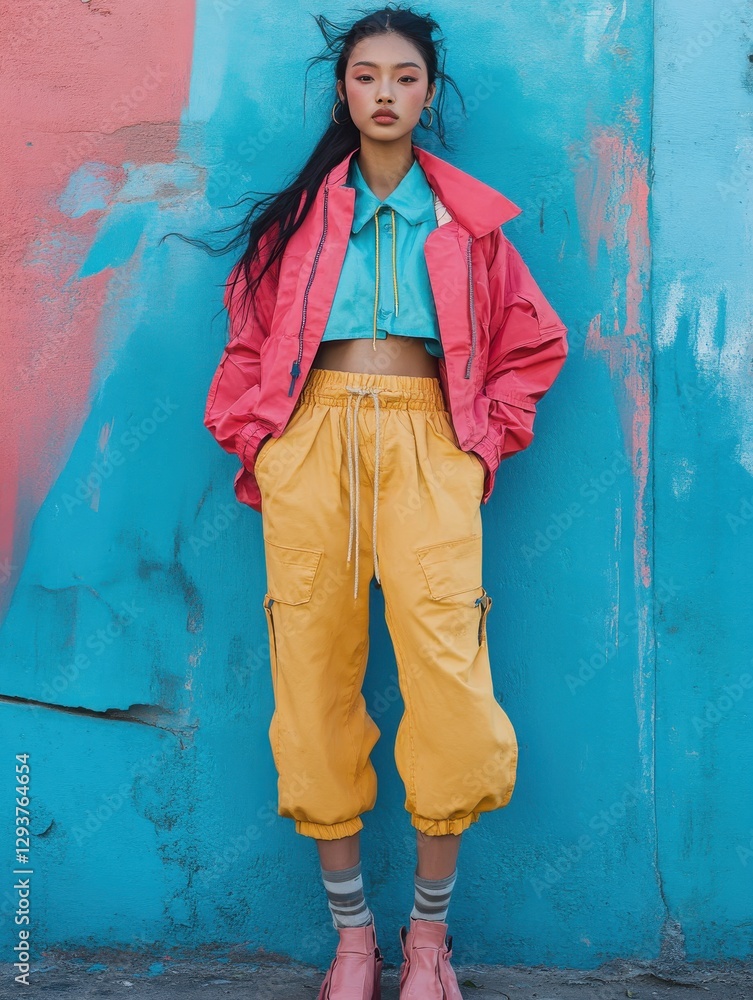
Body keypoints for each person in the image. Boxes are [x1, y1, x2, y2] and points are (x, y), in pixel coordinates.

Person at [202, 5, 568, 997]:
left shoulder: (471, 229)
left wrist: (476, 448)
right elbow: (244, 347)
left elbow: (534, 347)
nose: (385, 95)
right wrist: (264, 442)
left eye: (405, 78)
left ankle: (428, 943)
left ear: (428, 93)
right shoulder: (297, 222)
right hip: (311, 443)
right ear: (343, 92)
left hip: (429, 444)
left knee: (448, 679)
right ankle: (354, 941)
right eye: (367, 77)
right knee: (312, 672)